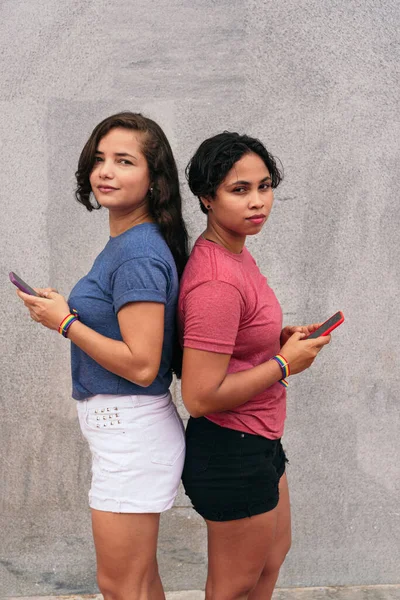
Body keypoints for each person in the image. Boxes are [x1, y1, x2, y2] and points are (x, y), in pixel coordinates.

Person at [17, 112, 189, 600]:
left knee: (120, 586)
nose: (105, 172)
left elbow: (141, 364)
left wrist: (66, 323)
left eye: (123, 161)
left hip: (131, 435)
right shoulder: (129, 243)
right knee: (138, 583)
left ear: (154, 180)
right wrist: (67, 313)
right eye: (99, 159)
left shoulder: (136, 253)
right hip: (126, 431)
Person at [178, 132, 331, 600]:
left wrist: (275, 343)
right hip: (231, 448)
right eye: (239, 190)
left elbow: (234, 343)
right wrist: (284, 365)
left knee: (270, 559)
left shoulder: (237, 252)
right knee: (234, 586)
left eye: (264, 187)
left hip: (259, 436)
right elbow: (200, 396)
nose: (257, 202)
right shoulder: (217, 280)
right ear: (207, 197)